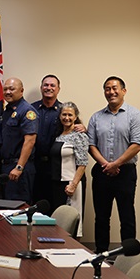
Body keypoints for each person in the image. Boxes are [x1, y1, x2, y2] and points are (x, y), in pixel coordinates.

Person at [88, 76, 140, 253]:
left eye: (115, 88)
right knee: (101, 217)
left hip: (126, 172)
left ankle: (128, 256)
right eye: (107, 88)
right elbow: (91, 145)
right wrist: (106, 164)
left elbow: (137, 144)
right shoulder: (96, 117)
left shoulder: (135, 115)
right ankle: (100, 253)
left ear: (124, 90)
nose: (111, 92)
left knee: (126, 215)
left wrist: (116, 164)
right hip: (101, 171)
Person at [50, 102, 88, 238]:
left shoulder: (80, 136)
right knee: (59, 222)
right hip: (57, 184)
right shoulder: (59, 135)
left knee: (72, 223)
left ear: (76, 116)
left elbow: (82, 163)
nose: (67, 118)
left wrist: (73, 185)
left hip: (71, 185)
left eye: (70, 115)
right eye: (64, 114)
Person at [0, 77, 39, 204]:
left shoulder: (27, 111)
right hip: (7, 167)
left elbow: (30, 141)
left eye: (12, 89)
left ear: (21, 91)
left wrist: (19, 167)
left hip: (19, 168)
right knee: (6, 207)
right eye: (5, 89)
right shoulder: (7, 111)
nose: (7, 92)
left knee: (18, 208)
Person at [31, 75, 62, 207]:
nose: (49, 88)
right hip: (34, 164)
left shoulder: (63, 111)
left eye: (52, 85)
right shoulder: (31, 109)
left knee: (53, 204)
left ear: (58, 89)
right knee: (35, 204)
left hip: (55, 166)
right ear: (41, 88)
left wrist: (81, 127)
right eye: (46, 85)